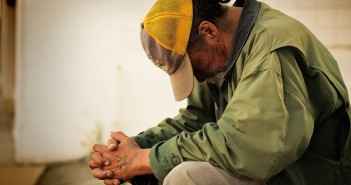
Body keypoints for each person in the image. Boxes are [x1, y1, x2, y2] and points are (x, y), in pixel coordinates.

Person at [89, 0, 351, 184]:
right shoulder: (221, 54)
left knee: (186, 177)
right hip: (271, 170)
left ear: (208, 32)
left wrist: (145, 159)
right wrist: (136, 148)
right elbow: (199, 120)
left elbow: (250, 146)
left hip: (304, 175)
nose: (197, 77)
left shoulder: (271, 49)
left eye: (193, 66)